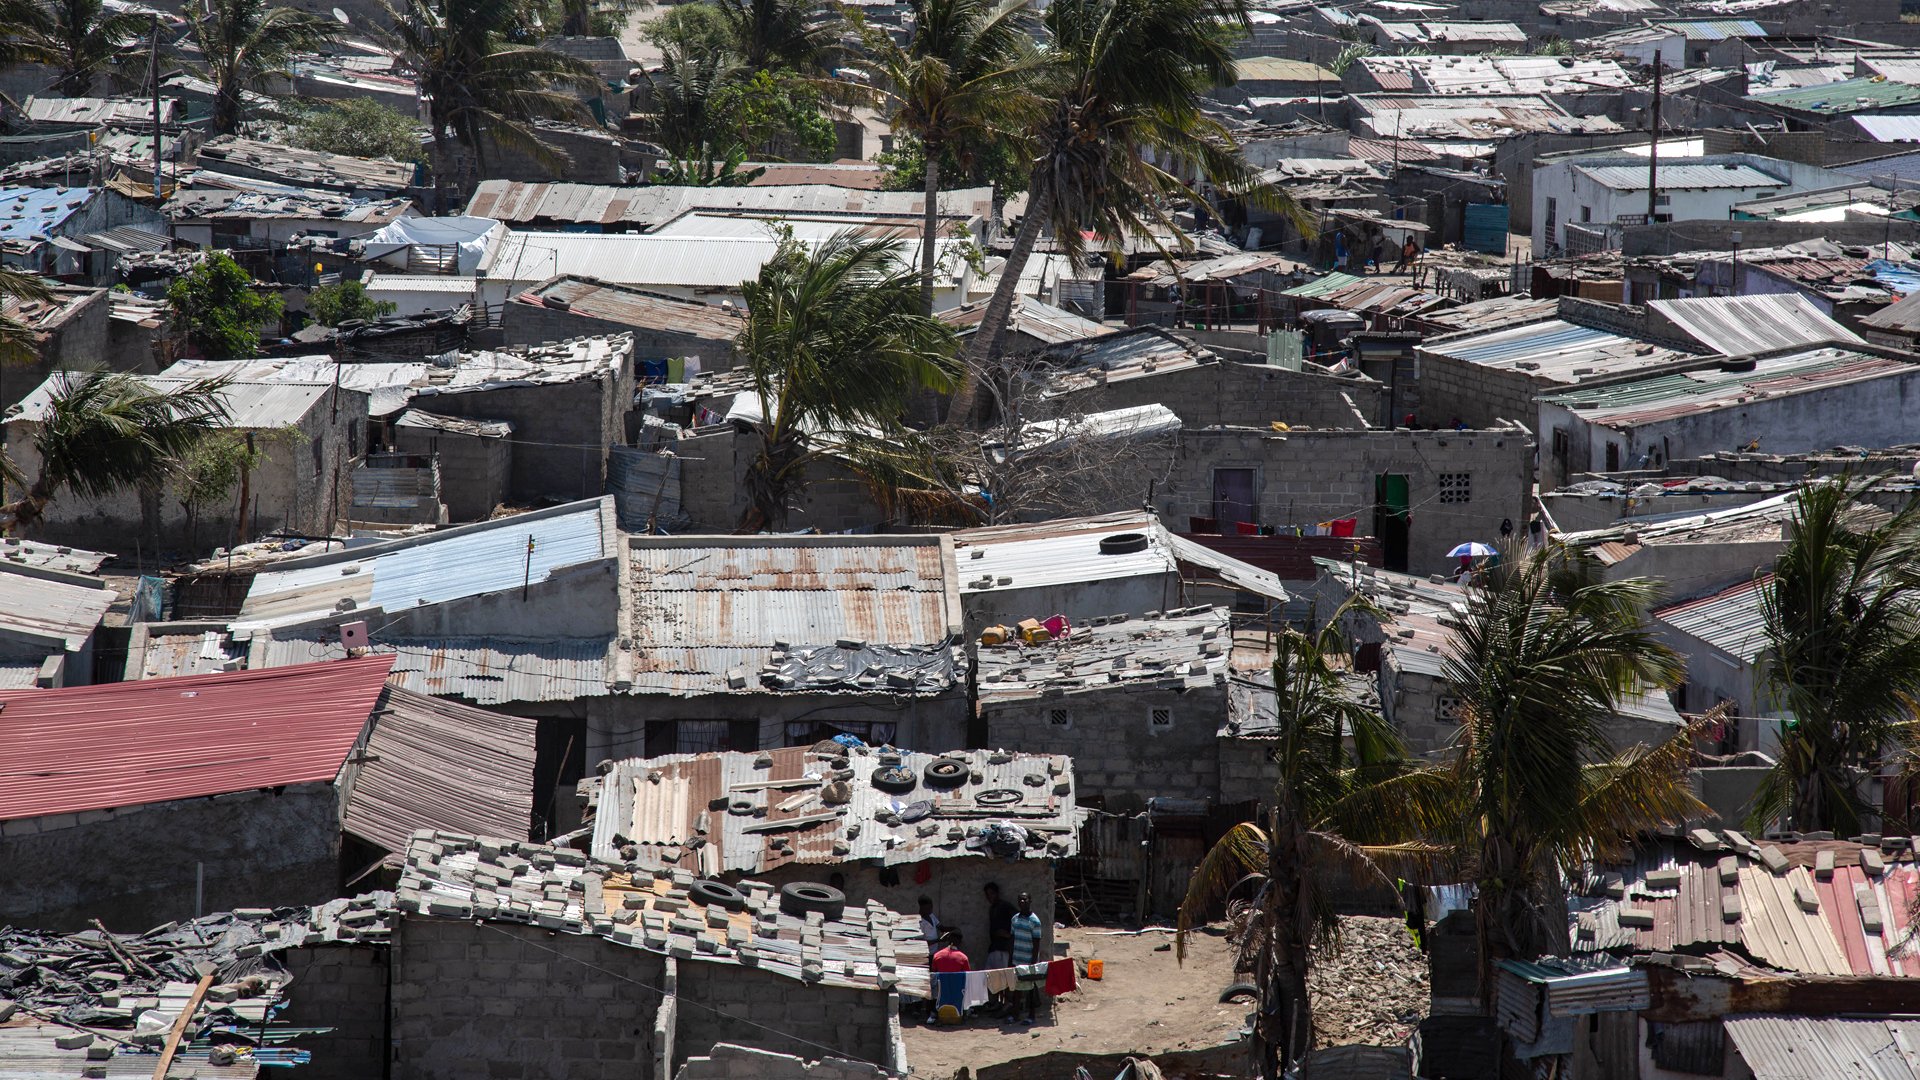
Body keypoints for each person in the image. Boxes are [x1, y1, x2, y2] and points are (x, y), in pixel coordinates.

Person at [1009, 892, 1046, 1024]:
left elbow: (1036, 943)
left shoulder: (1035, 921)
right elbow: (1012, 939)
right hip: (1016, 959)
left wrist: (1032, 963)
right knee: (1017, 988)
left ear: (1030, 901)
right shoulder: (1015, 919)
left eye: (1025, 900)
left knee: (1031, 988)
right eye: (1020, 900)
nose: (1022, 902)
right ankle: (1015, 1015)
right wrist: (1010, 959)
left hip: (1029, 960)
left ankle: (1031, 1016)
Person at [984, 883, 1015, 970]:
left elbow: (1018, 919)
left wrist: (1009, 934)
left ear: (997, 893)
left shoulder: (1005, 906)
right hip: (994, 948)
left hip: (1003, 949)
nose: (989, 897)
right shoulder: (992, 909)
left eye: (992, 894)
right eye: (987, 895)